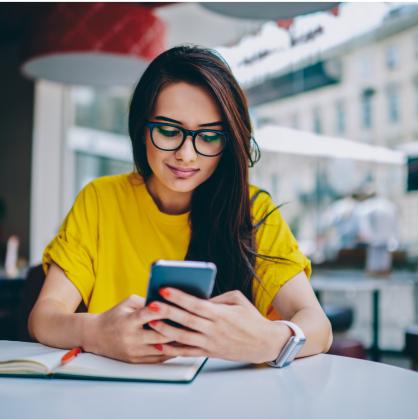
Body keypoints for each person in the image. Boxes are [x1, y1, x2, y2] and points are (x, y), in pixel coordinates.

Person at [29, 46, 332, 365]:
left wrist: (269, 340)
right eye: (169, 131)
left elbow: (319, 327)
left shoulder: (253, 211)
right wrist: (95, 332)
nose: (187, 154)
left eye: (209, 137)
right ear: (142, 131)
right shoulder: (100, 200)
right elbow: (43, 318)